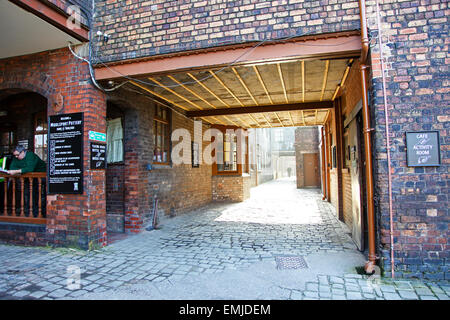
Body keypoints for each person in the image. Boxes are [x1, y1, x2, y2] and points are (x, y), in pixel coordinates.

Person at [7, 145, 46, 217]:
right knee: (29, 194)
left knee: (39, 195)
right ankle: (32, 212)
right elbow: (12, 167)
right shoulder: (16, 157)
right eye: (14, 155)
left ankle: (40, 213)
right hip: (30, 178)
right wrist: (17, 171)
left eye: (17, 155)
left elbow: (29, 168)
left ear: (22, 152)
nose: (16, 157)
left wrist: (16, 171)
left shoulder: (30, 155)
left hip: (42, 177)